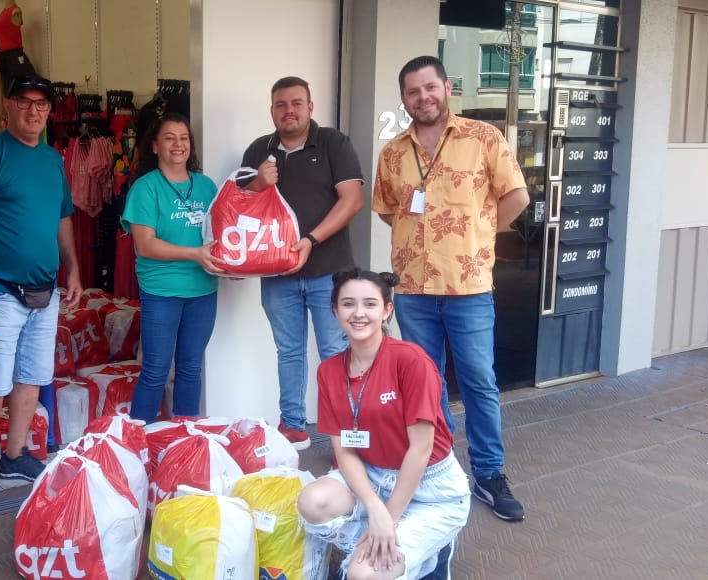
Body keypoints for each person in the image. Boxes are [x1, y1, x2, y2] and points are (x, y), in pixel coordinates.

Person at [373, 55, 530, 521]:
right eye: (412, 92)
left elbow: (517, 196)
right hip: (414, 290)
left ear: (446, 87)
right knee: (426, 385)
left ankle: (489, 472)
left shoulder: (483, 138)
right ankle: (439, 466)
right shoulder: (393, 153)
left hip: (469, 287)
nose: (423, 98)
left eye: (429, 88)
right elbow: (388, 210)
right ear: (404, 100)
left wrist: (479, 235)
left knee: (480, 382)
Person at [297, 269, 470, 580]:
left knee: (362, 575)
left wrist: (389, 516)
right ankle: (385, 543)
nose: (359, 313)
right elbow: (345, 450)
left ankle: (428, 551)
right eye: (348, 304)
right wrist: (375, 508)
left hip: (430, 487)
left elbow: (421, 448)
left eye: (370, 304)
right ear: (335, 310)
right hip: (371, 472)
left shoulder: (411, 361)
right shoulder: (329, 371)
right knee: (312, 502)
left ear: (387, 310)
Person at [0, 74, 83, 498]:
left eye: (42, 105)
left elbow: (62, 217)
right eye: (25, 102)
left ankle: (14, 457)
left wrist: (74, 269)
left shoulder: (53, 160)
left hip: (45, 291)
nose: (34, 112)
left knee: (32, 376)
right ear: (8, 107)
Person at [241, 76, 366, 449]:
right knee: (290, 351)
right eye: (281, 105)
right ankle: (293, 427)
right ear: (272, 111)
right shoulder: (258, 149)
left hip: (329, 271)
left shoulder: (333, 143)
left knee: (335, 352)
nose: (289, 111)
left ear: (310, 107)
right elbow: (238, 208)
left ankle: (344, 437)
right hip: (276, 273)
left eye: (296, 103)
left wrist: (310, 241)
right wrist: (256, 185)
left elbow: (352, 200)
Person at [120, 112, 224, 423]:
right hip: (161, 290)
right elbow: (145, 244)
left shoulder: (206, 186)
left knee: (191, 366)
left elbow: (223, 232)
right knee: (156, 369)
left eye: (184, 138)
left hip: (203, 289)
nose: (178, 145)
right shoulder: (145, 188)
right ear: (154, 146)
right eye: (169, 138)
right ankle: (139, 443)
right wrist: (194, 253)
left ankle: (184, 441)